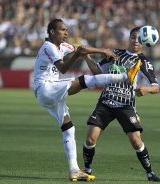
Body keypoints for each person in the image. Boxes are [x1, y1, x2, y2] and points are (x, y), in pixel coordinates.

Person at [33, 18, 140, 182]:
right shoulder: (48, 47)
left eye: (66, 29)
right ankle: (125, 76)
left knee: (68, 128)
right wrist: (78, 53)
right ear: (52, 32)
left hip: (50, 93)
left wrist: (102, 50)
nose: (66, 33)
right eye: (62, 30)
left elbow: (82, 49)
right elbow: (63, 67)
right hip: (46, 88)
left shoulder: (64, 46)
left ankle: (74, 170)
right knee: (85, 80)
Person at [82, 27, 160, 182]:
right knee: (90, 139)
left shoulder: (143, 62)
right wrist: (86, 57)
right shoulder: (115, 54)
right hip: (106, 102)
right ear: (129, 39)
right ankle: (86, 170)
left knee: (136, 141)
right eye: (133, 37)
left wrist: (145, 89)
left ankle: (150, 173)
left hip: (126, 105)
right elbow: (98, 73)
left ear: (144, 41)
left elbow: (156, 87)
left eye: (139, 39)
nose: (135, 41)